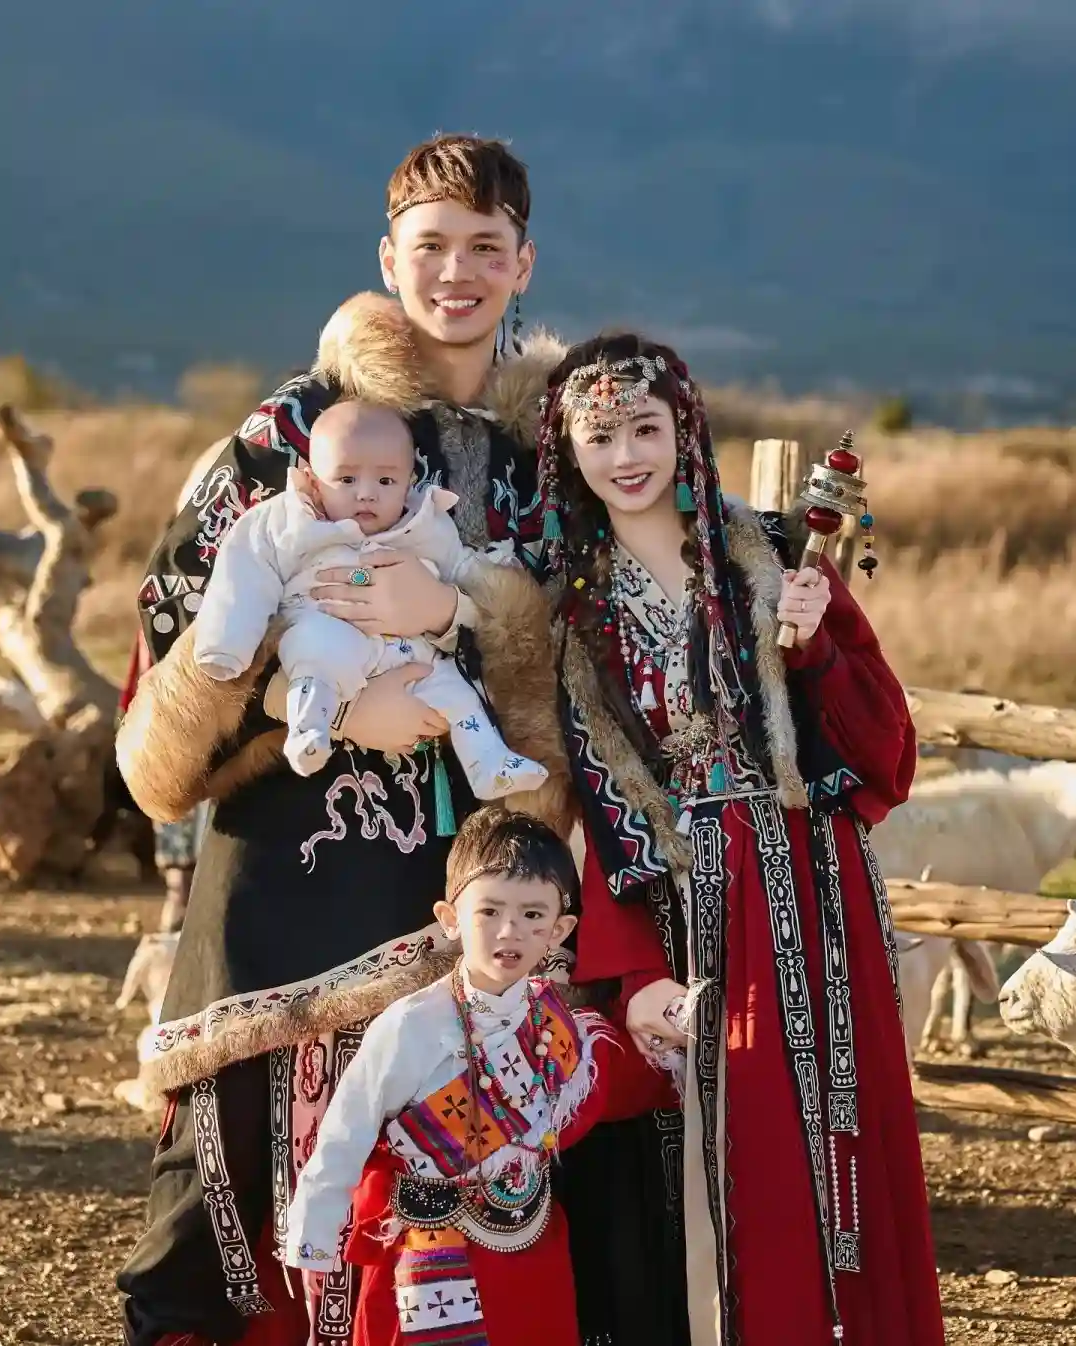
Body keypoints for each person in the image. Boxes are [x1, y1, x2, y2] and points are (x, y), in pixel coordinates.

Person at [115, 135, 573, 1346]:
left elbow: (581, 651)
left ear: (523, 263)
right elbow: (177, 613)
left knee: (422, 1223)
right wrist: (291, 694)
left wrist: (465, 611)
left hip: (458, 881)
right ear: (387, 257)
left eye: (485, 247)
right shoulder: (290, 431)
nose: (457, 272)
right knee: (222, 1194)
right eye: (432, 246)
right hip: (280, 856)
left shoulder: (542, 462)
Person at [538, 334, 946, 1345]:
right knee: (733, 1165)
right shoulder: (574, 612)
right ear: (568, 450)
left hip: (816, 888)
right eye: (600, 436)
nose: (626, 456)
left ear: (686, 431)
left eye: (645, 428)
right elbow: (605, 805)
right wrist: (635, 975)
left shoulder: (771, 553)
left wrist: (818, 648)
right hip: (690, 910)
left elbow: (885, 751)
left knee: (843, 1148)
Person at [284, 807, 680, 1346]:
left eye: (533, 915)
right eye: (489, 911)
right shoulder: (410, 1025)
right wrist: (314, 1238)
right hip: (430, 1249)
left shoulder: (554, 1023)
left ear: (560, 929)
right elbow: (344, 1134)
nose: (509, 932)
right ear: (450, 917)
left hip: (530, 1246)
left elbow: (608, 1086)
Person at [194, 390, 547, 795]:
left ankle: (489, 763)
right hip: (326, 628)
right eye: (346, 480)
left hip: (409, 653)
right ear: (313, 480)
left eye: (385, 481)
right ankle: (310, 728)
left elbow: (463, 567)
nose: (367, 493)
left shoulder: (424, 523)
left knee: (458, 694)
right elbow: (244, 568)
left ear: (409, 482)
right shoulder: (291, 518)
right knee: (318, 652)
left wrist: (451, 607)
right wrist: (227, 645)